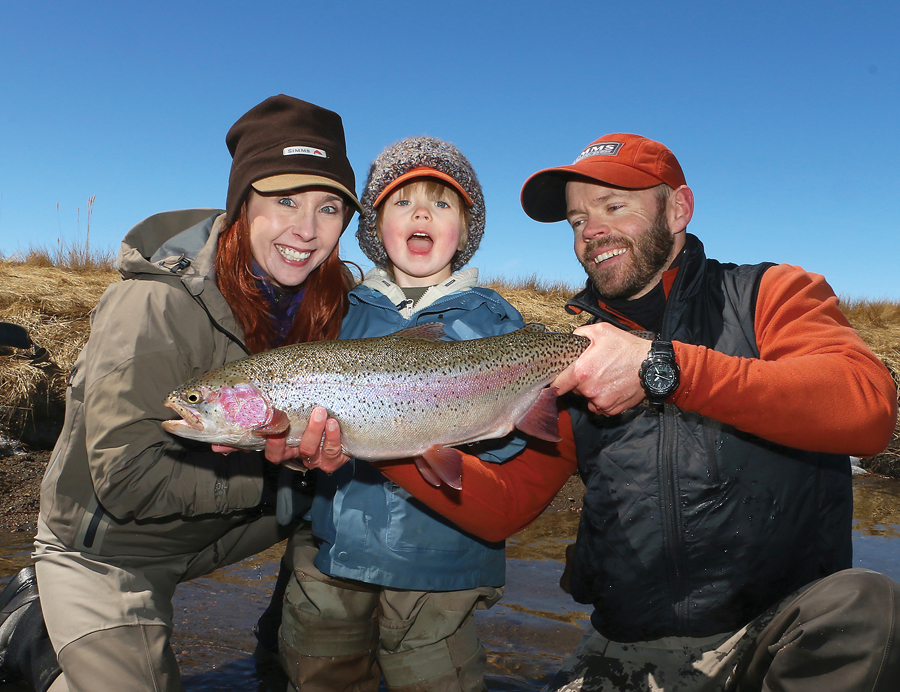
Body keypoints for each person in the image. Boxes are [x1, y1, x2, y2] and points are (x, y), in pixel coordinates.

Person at [362, 132, 900, 690]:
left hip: (774, 636)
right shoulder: (572, 354)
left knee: (867, 605)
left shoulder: (770, 293)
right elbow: (505, 507)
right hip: (629, 650)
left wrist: (663, 368)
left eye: (614, 206)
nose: (591, 231)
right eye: (576, 221)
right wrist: (372, 440)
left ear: (679, 209)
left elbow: (866, 406)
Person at [0, 93, 362, 692]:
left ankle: (291, 649)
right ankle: (32, 627)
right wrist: (288, 469)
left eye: (329, 208)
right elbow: (125, 479)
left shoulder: (325, 300)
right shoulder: (153, 306)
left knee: (340, 502)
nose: (306, 228)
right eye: (285, 200)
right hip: (107, 550)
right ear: (242, 204)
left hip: (207, 529)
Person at [276, 135, 565, 691]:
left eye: (442, 203)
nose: (422, 214)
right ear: (376, 226)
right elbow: (295, 447)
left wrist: (475, 433)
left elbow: (514, 444)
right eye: (402, 202)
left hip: (443, 563)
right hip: (332, 550)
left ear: (466, 229)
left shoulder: (498, 320)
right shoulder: (337, 310)